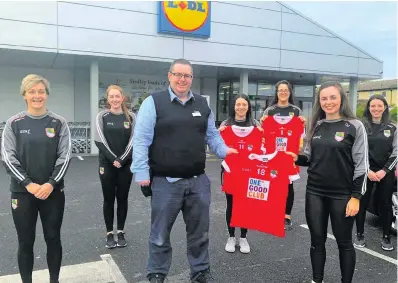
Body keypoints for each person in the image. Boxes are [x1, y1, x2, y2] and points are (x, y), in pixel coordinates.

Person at [131, 58, 237, 283]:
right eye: (178, 74)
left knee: (200, 234)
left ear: (192, 79)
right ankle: (157, 273)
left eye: (187, 75)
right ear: (169, 75)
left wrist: (223, 150)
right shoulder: (153, 102)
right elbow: (141, 140)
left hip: (198, 182)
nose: (182, 79)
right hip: (164, 182)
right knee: (159, 235)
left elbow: (212, 135)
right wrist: (141, 172)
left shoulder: (201, 104)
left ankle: (200, 272)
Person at [288, 81, 368, 283]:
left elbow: (361, 165)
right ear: (319, 101)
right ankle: (317, 279)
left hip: (343, 195)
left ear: (341, 98)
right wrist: (295, 158)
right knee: (317, 241)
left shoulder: (355, 126)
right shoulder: (317, 125)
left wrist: (356, 197)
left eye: (333, 97)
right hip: (315, 192)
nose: (328, 102)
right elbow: (309, 157)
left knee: (344, 242)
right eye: (324, 98)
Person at [1, 74, 72, 283]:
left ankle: (54, 280)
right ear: (24, 94)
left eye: (41, 91)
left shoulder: (59, 123)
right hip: (23, 193)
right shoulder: (14, 123)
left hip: (53, 192)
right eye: (32, 91)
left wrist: (50, 184)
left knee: (53, 239)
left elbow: (65, 156)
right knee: (25, 242)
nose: (37, 95)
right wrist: (28, 184)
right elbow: (7, 157)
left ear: (47, 94)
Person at [218, 94, 261, 254]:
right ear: (233, 107)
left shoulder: (255, 125)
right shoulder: (226, 124)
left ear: (248, 107)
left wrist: (263, 134)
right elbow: (218, 148)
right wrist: (219, 134)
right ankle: (231, 236)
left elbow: (267, 144)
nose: (241, 107)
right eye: (238, 105)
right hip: (230, 171)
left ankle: (243, 237)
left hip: (249, 172)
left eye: (244, 104)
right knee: (231, 204)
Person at [95, 85, 136, 249]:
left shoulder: (131, 117)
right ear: (108, 99)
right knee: (108, 199)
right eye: (111, 97)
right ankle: (109, 233)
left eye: (117, 96)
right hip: (107, 165)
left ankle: (120, 231)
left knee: (123, 198)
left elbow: (134, 140)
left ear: (122, 98)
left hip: (126, 165)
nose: (114, 99)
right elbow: (99, 140)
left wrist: (123, 159)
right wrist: (114, 159)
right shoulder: (102, 116)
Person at [354, 94, 397, 251]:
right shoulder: (361, 127)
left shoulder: (393, 128)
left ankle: (386, 237)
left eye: (380, 106)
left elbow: (396, 152)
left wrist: (384, 171)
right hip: (366, 172)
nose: (376, 109)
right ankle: (359, 235)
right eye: (373, 106)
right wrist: (368, 170)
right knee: (362, 203)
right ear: (369, 108)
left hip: (386, 173)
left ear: (385, 107)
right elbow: (357, 151)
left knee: (385, 205)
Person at [260, 80, 305, 230]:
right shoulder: (269, 111)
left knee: (288, 185)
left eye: (286, 90)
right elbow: (262, 134)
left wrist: (302, 123)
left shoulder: (296, 111)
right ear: (277, 92)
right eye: (280, 90)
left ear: (290, 92)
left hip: (288, 156)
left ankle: (286, 215)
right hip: (272, 155)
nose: (283, 92)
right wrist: (262, 122)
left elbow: (301, 135)